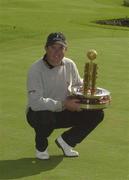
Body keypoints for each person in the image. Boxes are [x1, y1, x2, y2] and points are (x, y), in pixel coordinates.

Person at [26, 32, 104, 160]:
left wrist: (95, 98)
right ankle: (41, 147)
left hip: (66, 110)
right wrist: (63, 104)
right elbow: (35, 103)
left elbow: (79, 86)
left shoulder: (69, 64)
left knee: (97, 113)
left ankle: (67, 142)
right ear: (46, 48)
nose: (57, 52)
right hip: (39, 113)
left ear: (66, 50)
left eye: (61, 48)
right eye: (53, 48)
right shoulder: (35, 69)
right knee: (45, 116)